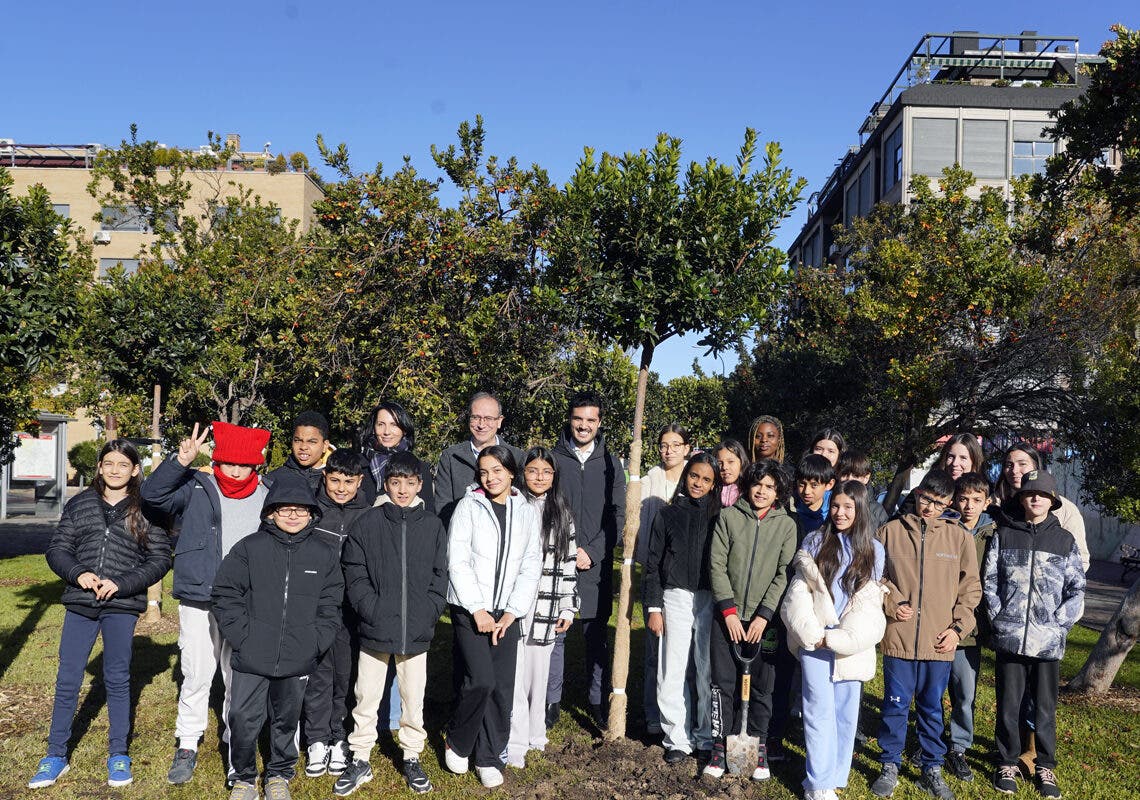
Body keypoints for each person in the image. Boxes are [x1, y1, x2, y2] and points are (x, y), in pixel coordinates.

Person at [29, 440, 173, 790]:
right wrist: (78, 573)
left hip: (120, 607)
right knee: (67, 679)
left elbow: (160, 559)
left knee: (119, 679)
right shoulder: (79, 504)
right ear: (99, 467)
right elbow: (58, 549)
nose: (114, 470)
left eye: (123, 464)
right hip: (80, 602)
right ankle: (55, 754)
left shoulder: (148, 509)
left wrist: (122, 584)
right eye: (108, 463)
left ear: (135, 470)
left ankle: (118, 753)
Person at [142, 421, 271, 786]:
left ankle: (236, 742)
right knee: (197, 670)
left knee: (238, 675)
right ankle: (187, 742)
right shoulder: (196, 486)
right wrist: (179, 462)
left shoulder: (268, 492)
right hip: (200, 593)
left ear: (255, 465)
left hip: (246, 599)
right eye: (228, 461)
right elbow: (153, 496)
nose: (234, 470)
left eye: (242, 464)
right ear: (217, 459)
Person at [211, 473, 345, 800]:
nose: (293, 515)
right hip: (251, 653)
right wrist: (242, 636)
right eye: (285, 509)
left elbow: (331, 602)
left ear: (312, 513)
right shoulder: (249, 548)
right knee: (242, 718)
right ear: (271, 512)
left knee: (286, 720)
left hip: (299, 654)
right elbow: (225, 593)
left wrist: (315, 642)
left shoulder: (323, 553)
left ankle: (279, 774)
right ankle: (244, 777)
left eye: (301, 510)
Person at [335, 451, 449, 796]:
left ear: (420, 485)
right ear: (386, 483)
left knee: (413, 697)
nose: (402, 490)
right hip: (375, 627)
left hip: (416, 629)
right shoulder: (368, 523)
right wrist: (369, 607)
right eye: (395, 483)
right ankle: (360, 756)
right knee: (366, 695)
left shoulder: (431, 526)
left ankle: (412, 755)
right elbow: (354, 570)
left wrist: (429, 609)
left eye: (410, 483)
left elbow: (439, 574)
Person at [870, 468, 981, 800]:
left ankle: (931, 767)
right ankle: (889, 764)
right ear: (916, 494)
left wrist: (957, 629)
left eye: (938, 502)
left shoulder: (959, 538)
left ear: (949, 503)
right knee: (895, 704)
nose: (929, 507)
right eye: (924, 499)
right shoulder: (887, 532)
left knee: (932, 707)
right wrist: (892, 603)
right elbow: (876, 578)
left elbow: (971, 590)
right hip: (899, 639)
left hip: (939, 642)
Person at [781, 480, 886, 800]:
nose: (840, 513)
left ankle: (835, 775)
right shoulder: (815, 541)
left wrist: (844, 636)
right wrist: (814, 633)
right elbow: (801, 589)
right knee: (817, 711)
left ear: (860, 510)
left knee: (844, 712)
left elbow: (870, 600)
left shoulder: (874, 550)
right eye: (836, 506)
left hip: (849, 644)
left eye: (848, 507)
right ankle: (817, 782)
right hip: (816, 642)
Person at [444, 446, 542, 788]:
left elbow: (531, 564)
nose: (491, 478)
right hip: (471, 610)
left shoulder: (526, 511)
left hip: (507, 615)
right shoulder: (468, 506)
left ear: (511, 472)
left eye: (497, 471)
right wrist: (477, 609)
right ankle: (458, 740)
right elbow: (457, 560)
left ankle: (489, 756)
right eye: (484, 472)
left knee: (501, 688)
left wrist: (513, 612)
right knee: (481, 680)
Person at [984, 469, 1085, 799]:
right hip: (1010, 637)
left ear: (1052, 501)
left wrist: (1060, 624)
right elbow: (990, 582)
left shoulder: (1064, 540)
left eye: (1042, 494)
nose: (1036, 498)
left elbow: (1076, 588)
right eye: (1030, 493)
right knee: (1009, 705)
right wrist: (999, 617)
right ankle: (1008, 761)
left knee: (1044, 707)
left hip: (1047, 641)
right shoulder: (1004, 534)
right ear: (1022, 499)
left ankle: (1045, 764)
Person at [704, 459, 798, 781]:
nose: (762, 491)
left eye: (770, 486)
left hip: (764, 623)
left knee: (762, 687)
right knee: (723, 685)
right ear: (748, 486)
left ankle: (757, 745)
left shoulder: (786, 526)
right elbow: (716, 566)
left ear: (778, 492)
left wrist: (763, 616)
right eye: (758, 484)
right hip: (727, 619)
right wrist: (729, 611)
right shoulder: (728, 518)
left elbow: (782, 573)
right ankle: (720, 745)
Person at [546, 391, 626, 730]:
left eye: (591, 420)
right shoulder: (552, 458)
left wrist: (592, 551)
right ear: (570, 419)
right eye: (579, 419)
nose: (584, 425)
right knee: (555, 633)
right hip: (556, 560)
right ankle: (550, 702)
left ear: (599, 422)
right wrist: (562, 549)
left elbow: (618, 515)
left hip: (595, 563)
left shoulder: (611, 462)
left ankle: (596, 700)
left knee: (596, 635)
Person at [645, 452, 721, 764]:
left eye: (706, 479)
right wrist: (653, 607)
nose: (698, 483)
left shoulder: (720, 516)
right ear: (685, 475)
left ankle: (704, 735)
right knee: (672, 669)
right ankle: (677, 736)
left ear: (714, 484)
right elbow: (652, 563)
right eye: (694, 476)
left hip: (708, 598)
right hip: (674, 596)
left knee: (705, 669)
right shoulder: (667, 514)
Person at [506, 448, 579, 769]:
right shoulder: (513, 505)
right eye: (533, 471)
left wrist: (567, 607)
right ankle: (515, 738)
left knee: (539, 674)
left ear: (554, 476)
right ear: (523, 473)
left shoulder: (561, 513)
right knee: (517, 675)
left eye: (546, 472)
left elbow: (569, 564)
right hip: (518, 606)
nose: (539, 477)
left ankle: (536, 732)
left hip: (549, 604)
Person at [302, 450, 372, 780]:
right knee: (318, 674)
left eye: (349, 481)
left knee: (344, 675)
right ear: (324, 477)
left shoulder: (368, 514)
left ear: (360, 482)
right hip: (316, 607)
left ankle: (337, 737)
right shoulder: (311, 510)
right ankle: (316, 738)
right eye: (334, 480)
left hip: (350, 610)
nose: (341, 488)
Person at [636, 423, 693, 736]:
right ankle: (653, 715)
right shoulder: (649, 481)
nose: (668, 450)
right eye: (663, 444)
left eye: (675, 444)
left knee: (684, 653)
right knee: (654, 649)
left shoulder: (695, 477)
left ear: (686, 447)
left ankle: (683, 716)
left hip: (686, 577)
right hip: (655, 571)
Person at [942, 471, 996, 784]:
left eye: (976, 500)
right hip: (940, 619)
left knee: (965, 691)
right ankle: (931, 740)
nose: (969, 505)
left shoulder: (993, 532)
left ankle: (959, 745)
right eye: (963, 499)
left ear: (986, 502)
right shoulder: (945, 527)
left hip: (971, 627)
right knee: (933, 689)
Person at [435, 392, 524, 525]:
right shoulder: (451, 457)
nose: (481, 425)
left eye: (488, 418)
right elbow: (443, 508)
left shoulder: (518, 457)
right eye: (476, 417)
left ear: (499, 421)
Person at [358, 400, 434, 510]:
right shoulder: (358, 465)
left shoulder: (420, 468)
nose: (386, 432)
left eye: (394, 425)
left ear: (404, 429)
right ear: (373, 428)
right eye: (381, 424)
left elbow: (428, 513)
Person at [265, 411, 333, 492]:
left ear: (325, 445)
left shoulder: (337, 482)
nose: (303, 447)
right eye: (298, 440)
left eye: (312, 442)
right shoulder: (273, 480)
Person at [836, 449, 889, 530]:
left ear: (866, 477)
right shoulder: (828, 506)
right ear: (837, 474)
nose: (849, 479)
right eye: (844, 474)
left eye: (856, 475)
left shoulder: (876, 512)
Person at [794, 454, 836, 537]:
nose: (806, 491)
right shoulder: (790, 506)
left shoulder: (835, 506)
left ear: (829, 484)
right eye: (802, 484)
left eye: (814, 485)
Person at [715, 439, 750, 508]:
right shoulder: (712, 489)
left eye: (730, 461)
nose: (724, 467)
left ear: (741, 462)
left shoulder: (749, 489)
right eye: (720, 463)